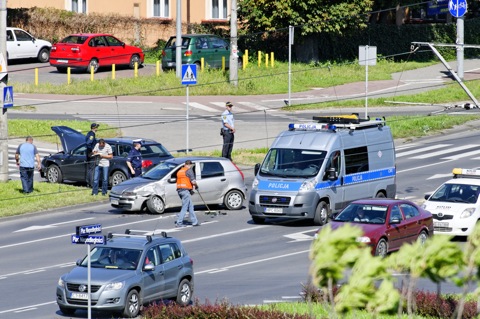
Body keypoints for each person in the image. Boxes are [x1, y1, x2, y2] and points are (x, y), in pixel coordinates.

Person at [175, 160, 200, 227]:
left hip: (179, 190)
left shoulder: (180, 171)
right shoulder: (189, 170)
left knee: (190, 206)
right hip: (185, 191)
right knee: (185, 207)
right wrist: (196, 186)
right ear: (190, 165)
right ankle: (179, 222)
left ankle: (195, 222)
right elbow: (193, 181)